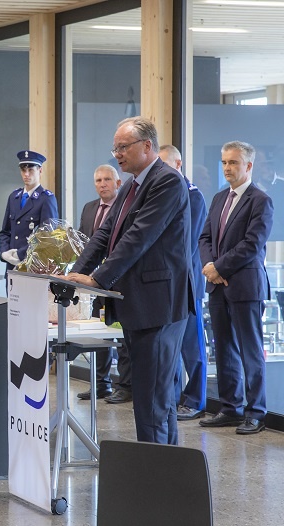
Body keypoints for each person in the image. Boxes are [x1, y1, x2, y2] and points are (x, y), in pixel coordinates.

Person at [67, 116, 194, 445]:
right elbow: (104, 233)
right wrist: (76, 273)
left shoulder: (168, 182)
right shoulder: (132, 185)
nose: (117, 154)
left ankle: (155, 479)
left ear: (147, 146)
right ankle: (165, 470)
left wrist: (96, 279)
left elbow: (139, 238)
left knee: (152, 399)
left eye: (123, 147)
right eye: (115, 148)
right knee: (153, 396)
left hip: (160, 305)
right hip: (139, 304)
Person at [198, 141, 274, 435]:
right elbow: (205, 237)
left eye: (233, 163)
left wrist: (219, 267)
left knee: (250, 351)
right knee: (224, 349)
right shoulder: (218, 198)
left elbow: (252, 245)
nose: (228, 168)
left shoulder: (260, 200)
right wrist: (209, 266)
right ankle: (231, 408)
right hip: (217, 286)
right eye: (224, 163)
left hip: (245, 286)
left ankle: (256, 413)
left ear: (248, 166)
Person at [158, 145, 208, 421]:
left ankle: (195, 399)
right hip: (168, 282)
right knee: (171, 346)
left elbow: (187, 245)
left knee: (192, 345)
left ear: (178, 163)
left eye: (166, 165)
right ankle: (174, 397)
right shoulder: (167, 192)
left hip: (186, 282)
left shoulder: (193, 195)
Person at [76, 164, 128, 402]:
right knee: (98, 334)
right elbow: (82, 241)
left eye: (107, 179)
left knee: (120, 334)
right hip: (91, 282)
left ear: (118, 183)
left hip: (118, 279)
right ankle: (101, 383)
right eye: (98, 180)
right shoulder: (89, 208)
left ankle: (125, 385)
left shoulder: (125, 207)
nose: (102, 184)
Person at [0, 150, 58, 274]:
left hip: (33, 267)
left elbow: (47, 237)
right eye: (23, 170)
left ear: (40, 170)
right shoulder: (14, 197)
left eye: (31, 170)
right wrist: (4, 252)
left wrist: (20, 254)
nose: (26, 174)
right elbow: (5, 231)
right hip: (12, 267)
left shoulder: (46, 198)